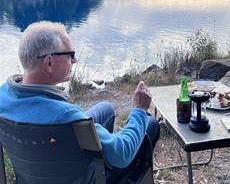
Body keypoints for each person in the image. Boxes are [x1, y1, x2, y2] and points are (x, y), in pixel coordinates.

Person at [0, 21, 160, 180]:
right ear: (49, 62)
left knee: (106, 109)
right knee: (149, 124)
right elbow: (122, 154)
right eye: (70, 54)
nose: (75, 60)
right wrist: (139, 110)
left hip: (34, 173)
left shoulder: (3, 97)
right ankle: (107, 167)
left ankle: (103, 149)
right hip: (84, 176)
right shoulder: (67, 117)